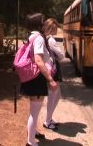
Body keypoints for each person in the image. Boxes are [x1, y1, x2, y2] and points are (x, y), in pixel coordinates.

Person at [20, 13, 59, 146]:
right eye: (43, 22)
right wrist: (50, 79)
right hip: (37, 77)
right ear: (39, 24)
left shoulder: (30, 36)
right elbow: (38, 60)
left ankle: (33, 133)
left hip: (31, 76)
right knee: (35, 111)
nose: (45, 24)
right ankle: (31, 142)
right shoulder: (39, 38)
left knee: (33, 110)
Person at [41, 18, 65, 130]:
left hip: (48, 68)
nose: (56, 29)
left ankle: (49, 118)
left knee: (57, 95)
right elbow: (61, 56)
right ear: (51, 28)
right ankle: (47, 121)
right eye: (55, 27)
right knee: (52, 96)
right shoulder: (51, 40)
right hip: (52, 69)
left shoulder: (44, 38)